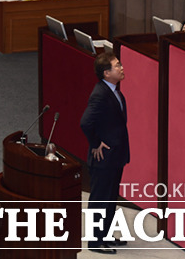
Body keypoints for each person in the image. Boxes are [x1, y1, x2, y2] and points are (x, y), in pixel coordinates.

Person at [80, 52, 130, 254]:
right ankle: (94, 241)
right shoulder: (100, 94)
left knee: (110, 198)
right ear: (106, 73)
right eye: (117, 66)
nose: (121, 67)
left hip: (115, 156)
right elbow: (85, 123)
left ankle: (105, 235)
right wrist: (95, 143)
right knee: (100, 199)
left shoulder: (114, 91)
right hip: (104, 158)